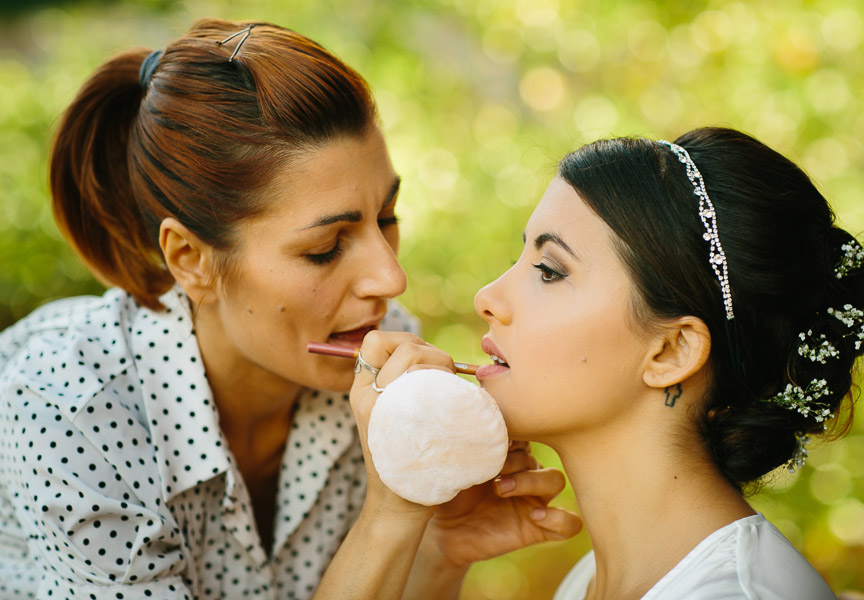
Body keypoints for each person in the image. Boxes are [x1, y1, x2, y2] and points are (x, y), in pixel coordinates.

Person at [0, 18, 582, 599]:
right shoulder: (72, 408)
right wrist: (388, 513)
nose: (391, 279)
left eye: (387, 219)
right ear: (191, 260)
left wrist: (437, 551)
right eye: (324, 249)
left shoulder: (382, 362)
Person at [322, 127, 864, 599]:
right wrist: (428, 541)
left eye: (549, 269)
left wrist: (389, 513)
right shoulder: (595, 579)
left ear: (671, 351)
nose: (487, 297)